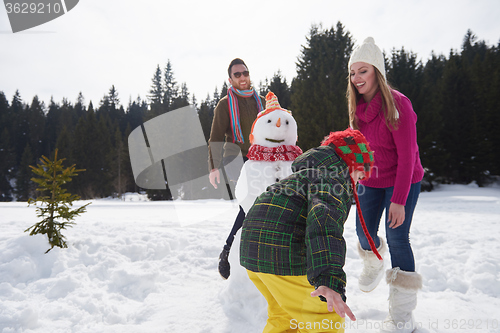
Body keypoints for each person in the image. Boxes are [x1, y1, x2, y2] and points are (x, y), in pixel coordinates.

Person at [240, 128, 380, 333]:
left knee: (286, 317)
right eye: (359, 175)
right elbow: (323, 223)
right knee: (325, 320)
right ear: (351, 164)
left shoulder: (306, 175)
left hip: (253, 252)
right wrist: (328, 280)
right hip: (283, 254)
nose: (357, 183)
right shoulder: (332, 179)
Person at [347, 37, 424, 333]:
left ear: (376, 71)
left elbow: (408, 156)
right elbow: (360, 148)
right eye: (353, 73)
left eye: (362, 71)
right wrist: (355, 168)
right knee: (362, 231)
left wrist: (399, 200)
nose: (356, 79)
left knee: (397, 237)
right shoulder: (357, 109)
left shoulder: (399, 105)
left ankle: (403, 315)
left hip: (402, 179)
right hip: (371, 179)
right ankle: (373, 262)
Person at [207, 58, 265, 279]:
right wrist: (213, 167)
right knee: (250, 202)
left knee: (255, 206)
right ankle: (228, 251)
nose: (242, 77)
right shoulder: (225, 104)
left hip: (258, 160)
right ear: (230, 79)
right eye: (237, 75)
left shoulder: (260, 102)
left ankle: (245, 253)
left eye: (245, 73)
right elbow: (215, 137)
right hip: (234, 159)